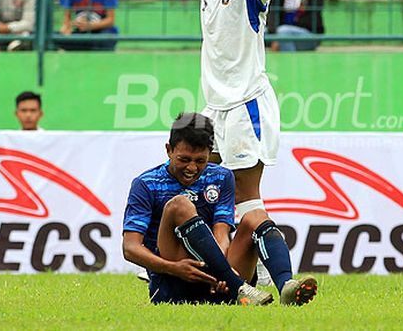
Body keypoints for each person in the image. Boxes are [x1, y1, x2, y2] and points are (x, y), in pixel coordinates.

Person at [125, 0, 310, 302]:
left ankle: (283, 281)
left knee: (248, 201)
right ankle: (184, 260)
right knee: (193, 178)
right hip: (214, 108)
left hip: (247, 105)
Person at [122, 112, 317, 305]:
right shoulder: (146, 183)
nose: (191, 168)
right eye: (184, 159)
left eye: (200, 161)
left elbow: (221, 232)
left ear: (210, 154)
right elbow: (130, 248)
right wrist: (173, 268)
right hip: (174, 282)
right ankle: (238, 286)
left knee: (255, 216)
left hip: (219, 281)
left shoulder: (221, 177)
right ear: (169, 150)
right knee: (179, 204)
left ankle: (286, 286)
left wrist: (220, 270)